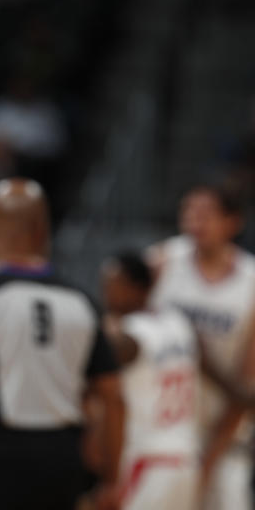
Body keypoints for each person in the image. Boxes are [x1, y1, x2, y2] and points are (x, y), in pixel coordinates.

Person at [0, 178, 123, 510]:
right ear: (44, 231)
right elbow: (113, 398)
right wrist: (111, 479)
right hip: (64, 458)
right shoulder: (82, 301)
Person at [148, 182, 255, 509]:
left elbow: (247, 384)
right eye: (188, 212)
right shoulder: (160, 262)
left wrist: (208, 461)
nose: (195, 222)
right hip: (160, 434)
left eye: (206, 214)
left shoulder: (251, 281)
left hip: (223, 438)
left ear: (232, 222)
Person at [101, 251, 200, 510]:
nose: (106, 294)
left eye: (112, 285)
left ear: (137, 287)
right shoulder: (179, 323)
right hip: (185, 459)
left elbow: (115, 346)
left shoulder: (131, 333)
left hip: (147, 459)